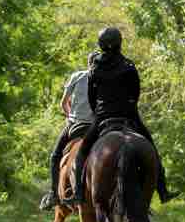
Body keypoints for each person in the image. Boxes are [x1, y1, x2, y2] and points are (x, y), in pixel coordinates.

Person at [72, 26, 173, 204]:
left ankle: (78, 194)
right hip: (129, 115)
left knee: (82, 153)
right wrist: (128, 108)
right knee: (152, 148)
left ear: (101, 45)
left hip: (103, 116)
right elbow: (136, 93)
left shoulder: (94, 69)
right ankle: (163, 190)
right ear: (120, 43)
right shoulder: (129, 66)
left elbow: (91, 97)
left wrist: (100, 111)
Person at [38, 63, 95, 211]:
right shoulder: (104, 78)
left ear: (89, 64)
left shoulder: (77, 76)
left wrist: (70, 115)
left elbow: (63, 103)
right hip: (97, 125)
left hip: (76, 124)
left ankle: (54, 194)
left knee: (55, 155)